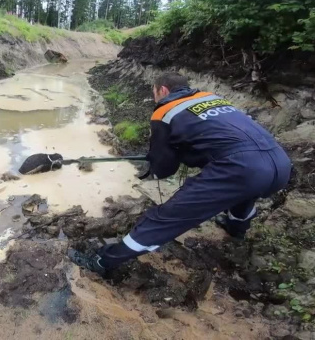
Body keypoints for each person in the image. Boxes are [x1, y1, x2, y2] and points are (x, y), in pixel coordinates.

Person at [69, 72, 292, 276]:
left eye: (154, 93)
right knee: (244, 193)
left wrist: (160, 160)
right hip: (279, 163)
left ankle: (101, 262)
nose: (155, 98)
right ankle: (236, 230)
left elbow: (165, 168)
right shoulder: (212, 97)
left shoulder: (164, 111)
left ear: (162, 90)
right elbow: (218, 138)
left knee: (166, 217)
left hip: (240, 168)